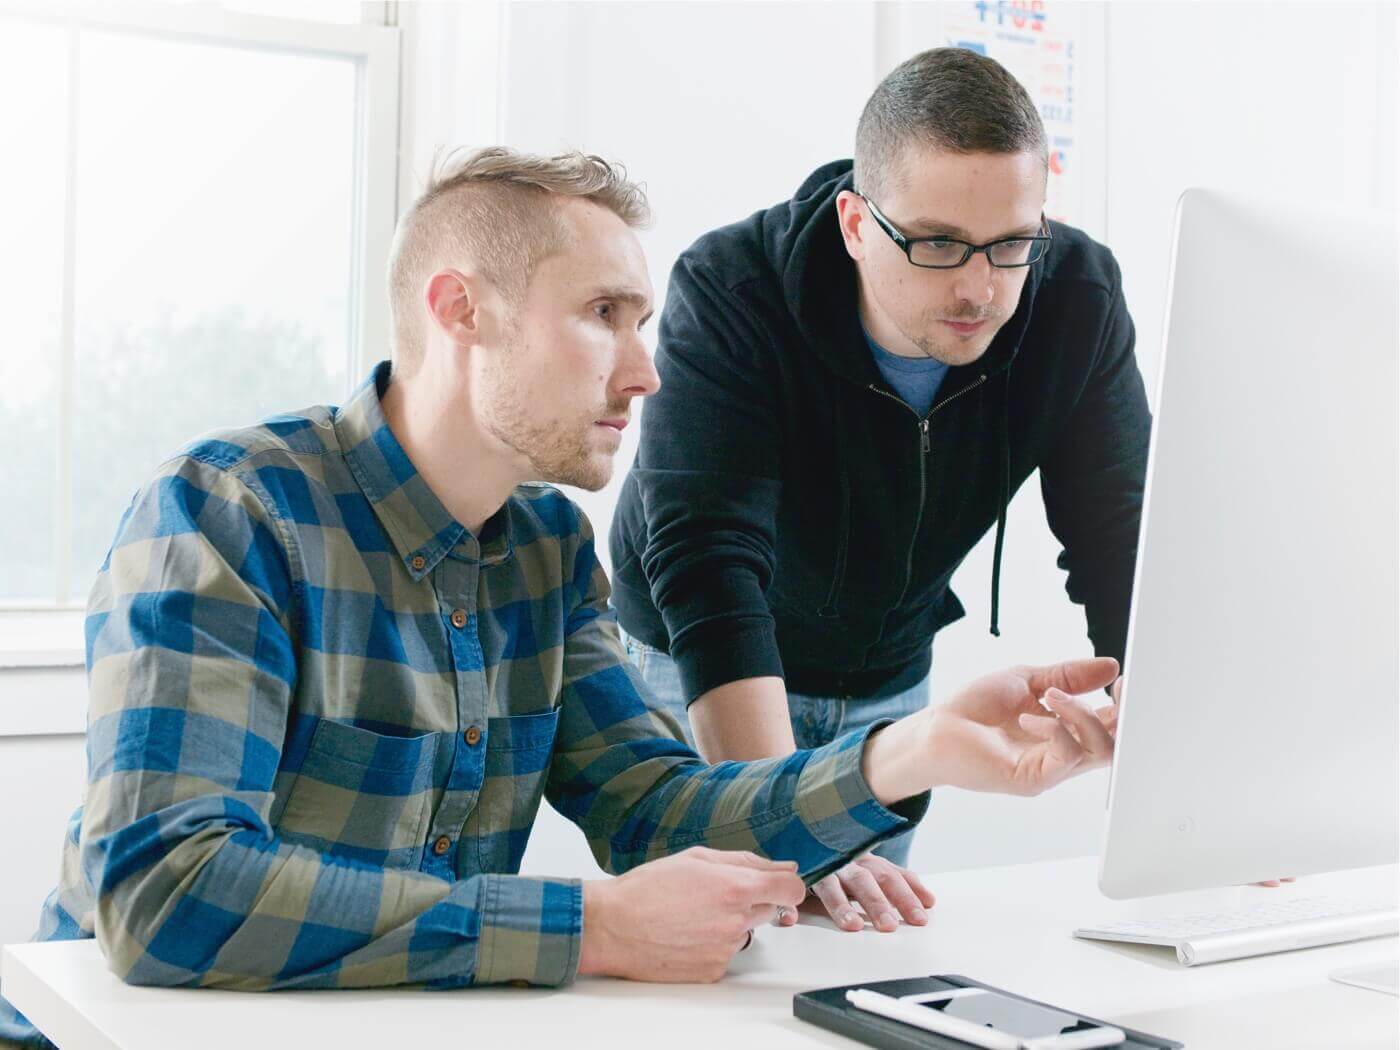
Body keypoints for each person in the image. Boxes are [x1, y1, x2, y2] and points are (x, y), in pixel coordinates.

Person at [0, 147, 1122, 1049]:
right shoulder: (225, 515)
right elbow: (164, 892)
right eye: (604, 314)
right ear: (461, 311)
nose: (645, 372)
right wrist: (585, 927)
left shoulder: (545, 548)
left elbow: (658, 811)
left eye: (640, 322)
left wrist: (912, 750)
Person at [608, 46, 1152, 931]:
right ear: (856, 224)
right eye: (938, 243)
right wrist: (793, 823)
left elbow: (1121, 537)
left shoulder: (1076, 297)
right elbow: (706, 561)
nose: (981, 287)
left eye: (1011, 244)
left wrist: (1177, 787)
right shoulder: (731, 289)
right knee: (728, 947)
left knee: (856, 952)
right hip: (701, 660)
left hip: (888, 674)